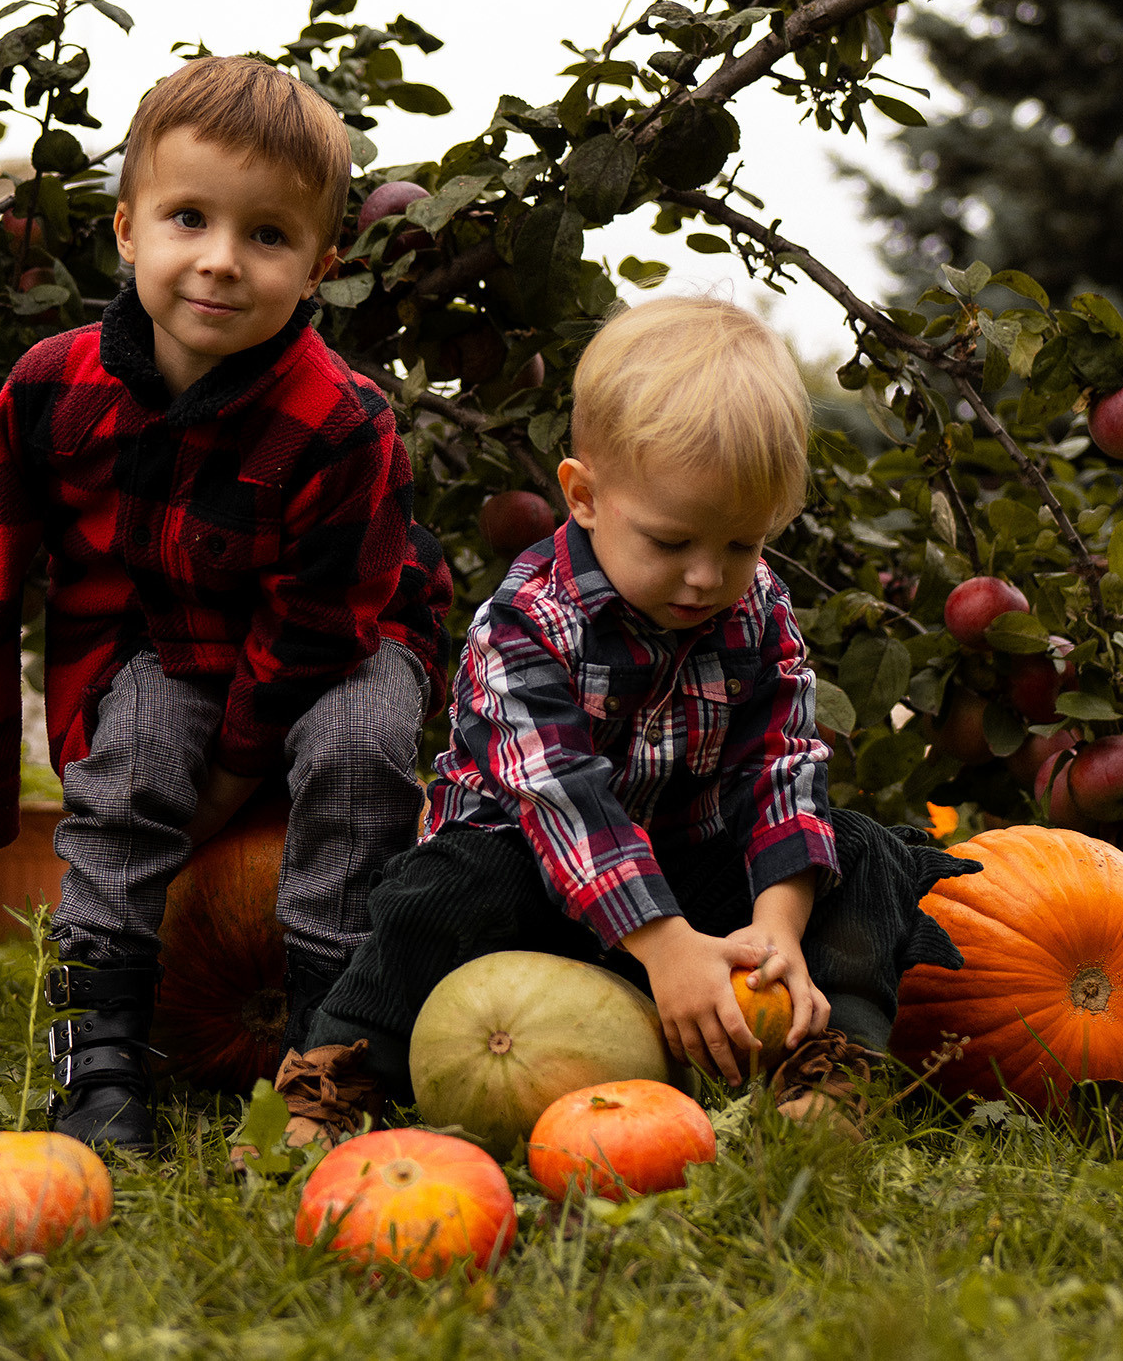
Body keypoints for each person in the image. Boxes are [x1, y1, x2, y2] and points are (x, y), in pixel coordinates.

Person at [284, 294, 976, 1144]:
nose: (705, 577)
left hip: (687, 886)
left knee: (862, 848)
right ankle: (336, 1074)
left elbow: (782, 765)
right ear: (583, 495)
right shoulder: (525, 622)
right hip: (531, 887)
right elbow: (564, 801)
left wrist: (776, 925)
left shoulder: (758, 610)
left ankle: (831, 1065)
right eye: (672, 541)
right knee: (443, 884)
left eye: (740, 545)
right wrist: (666, 945)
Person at [0, 56, 450, 1152]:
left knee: (359, 752)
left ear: (319, 267)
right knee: (129, 770)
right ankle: (99, 1071)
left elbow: (319, 628)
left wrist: (225, 781)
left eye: (267, 236)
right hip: (163, 639)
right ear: (126, 230)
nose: (219, 262)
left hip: (345, 643)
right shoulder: (49, 388)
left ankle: (330, 1053)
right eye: (188, 218)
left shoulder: (345, 422)